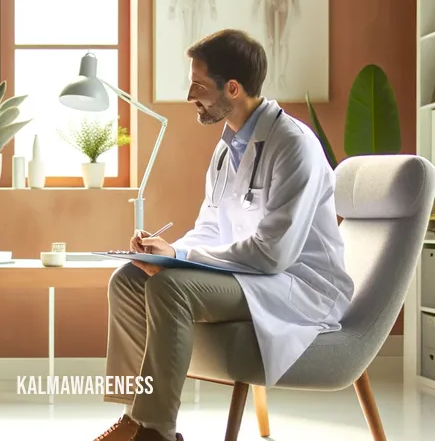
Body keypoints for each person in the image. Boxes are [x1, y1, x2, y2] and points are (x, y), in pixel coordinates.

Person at [92, 29, 354, 441]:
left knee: (171, 288)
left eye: (198, 85)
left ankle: (157, 432)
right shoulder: (227, 147)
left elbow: (274, 255)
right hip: (250, 277)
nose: (189, 95)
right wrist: (170, 250)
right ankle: (134, 416)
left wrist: (183, 261)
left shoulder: (293, 145)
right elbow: (212, 227)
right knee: (128, 279)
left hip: (295, 286)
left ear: (232, 88)